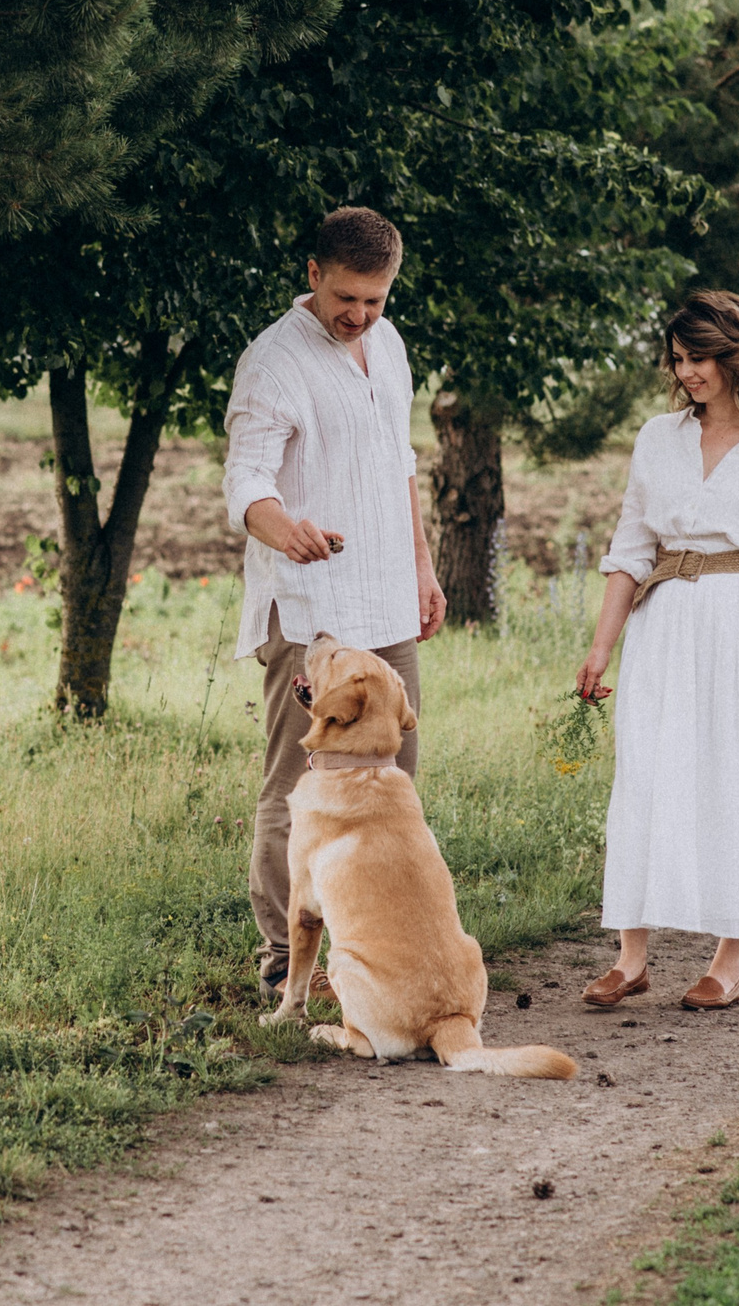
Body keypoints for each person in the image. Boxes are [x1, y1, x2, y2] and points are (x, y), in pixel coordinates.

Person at [573, 290, 739, 1011]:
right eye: (678, 359)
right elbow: (630, 549)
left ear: (736, 355)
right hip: (666, 626)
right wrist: (601, 645)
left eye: (700, 358)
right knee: (649, 774)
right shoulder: (658, 438)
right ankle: (631, 955)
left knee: (737, 780)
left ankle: (728, 958)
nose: (686, 372)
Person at [223, 206, 448, 1002]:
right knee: (307, 783)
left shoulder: (387, 346)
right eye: (347, 297)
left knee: (392, 782)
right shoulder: (273, 363)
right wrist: (284, 528)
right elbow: (246, 480)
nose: (359, 315)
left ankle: (370, 946)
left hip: (388, 599)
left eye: (376, 300)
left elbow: (402, 463)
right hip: (312, 610)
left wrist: (422, 566)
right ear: (314, 275)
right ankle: (285, 959)